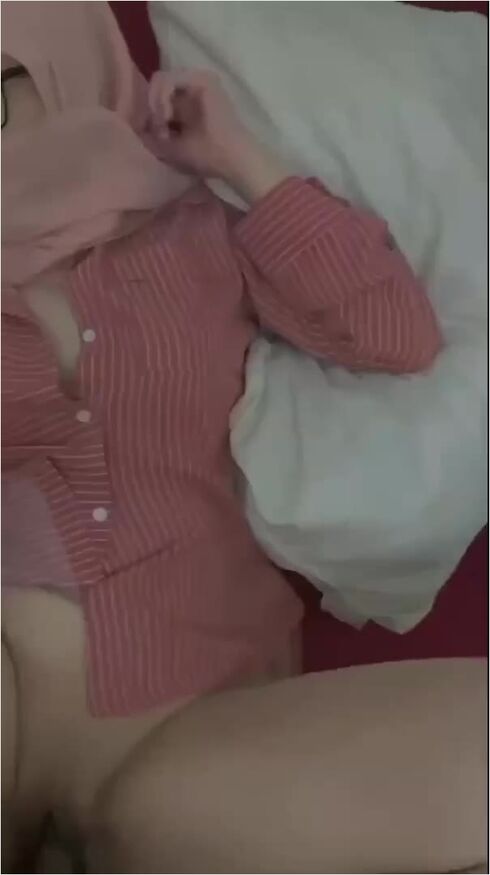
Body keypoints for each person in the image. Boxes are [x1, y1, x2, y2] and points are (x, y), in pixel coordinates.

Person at [1, 3, 485, 873]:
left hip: (200, 727)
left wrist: (240, 162)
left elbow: (395, 335)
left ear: (67, 66)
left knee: (164, 813)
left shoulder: (193, 233)